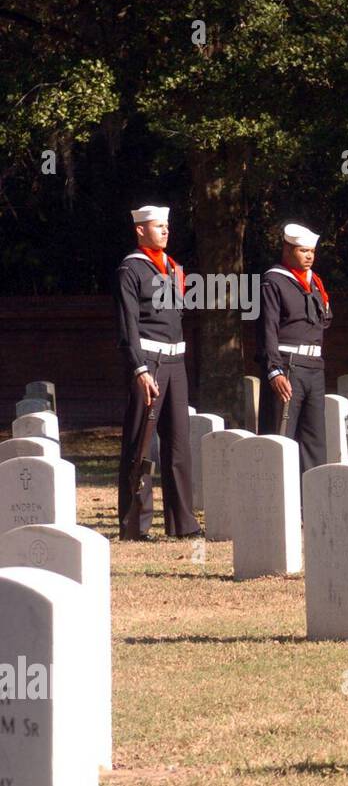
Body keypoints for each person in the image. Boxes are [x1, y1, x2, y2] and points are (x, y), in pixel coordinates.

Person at [113, 204, 200, 539]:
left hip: (175, 363)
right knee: (141, 444)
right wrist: (139, 368)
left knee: (178, 445)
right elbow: (128, 325)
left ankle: (183, 524)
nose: (165, 230)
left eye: (167, 225)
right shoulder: (130, 269)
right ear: (140, 230)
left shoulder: (172, 268)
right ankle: (135, 525)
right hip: (148, 363)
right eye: (158, 226)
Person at [257, 223, 332, 470]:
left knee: (314, 440)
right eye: (303, 251)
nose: (309, 256)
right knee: (282, 436)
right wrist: (274, 370)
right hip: (288, 366)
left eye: (312, 251)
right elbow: (267, 328)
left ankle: (311, 491)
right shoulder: (274, 281)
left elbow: (324, 320)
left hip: (314, 366)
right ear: (288, 250)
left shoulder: (315, 282)